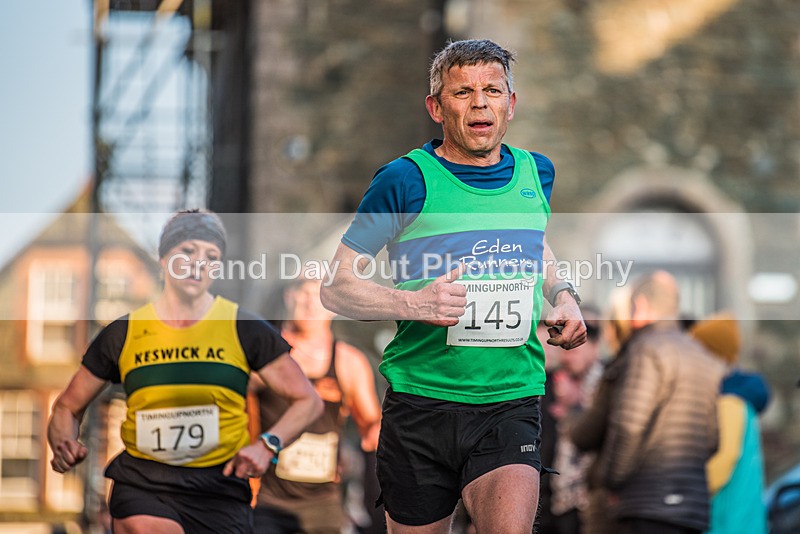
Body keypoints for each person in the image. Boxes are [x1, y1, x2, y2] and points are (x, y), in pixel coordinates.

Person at [320, 39, 586, 532]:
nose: (480, 102)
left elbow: (536, 245)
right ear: (436, 108)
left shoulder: (537, 173)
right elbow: (335, 287)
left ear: (511, 103)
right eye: (462, 93)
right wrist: (414, 302)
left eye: (492, 90)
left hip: (510, 398)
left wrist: (564, 295)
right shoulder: (404, 180)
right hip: (423, 403)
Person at [47, 210, 323, 534]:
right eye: (188, 251)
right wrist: (64, 440)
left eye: (211, 256)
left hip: (220, 487)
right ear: (164, 258)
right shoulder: (124, 333)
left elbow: (308, 401)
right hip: (144, 482)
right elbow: (67, 406)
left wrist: (267, 445)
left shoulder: (243, 327)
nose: (198, 263)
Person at [589, 271, 726, 534]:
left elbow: (628, 427)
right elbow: (712, 440)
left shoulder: (645, 349)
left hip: (645, 505)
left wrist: (611, 482)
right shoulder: (703, 356)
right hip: (692, 510)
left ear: (640, 306)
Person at [252, 277, 382, 533]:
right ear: (290, 296)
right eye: (304, 293)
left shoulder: (348, 360)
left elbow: (372, 428)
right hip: (267, 499)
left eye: (320, 295)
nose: (311, 303)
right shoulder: (265, 349)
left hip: (323, 501)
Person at [690, 313, 770, 534]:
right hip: (741, 521)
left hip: (729, 522)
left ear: (715, 356)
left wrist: (689, 492)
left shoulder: (730, 402)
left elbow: (725, 459)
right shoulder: (740, 400)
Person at [538, 307, 603, 534]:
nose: (567, 356)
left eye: (574, 349)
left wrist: (571, 408)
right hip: (552, 498)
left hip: (589, 498)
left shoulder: (605, 385)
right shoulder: (549, 384)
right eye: (563, 349)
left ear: (594, 347)